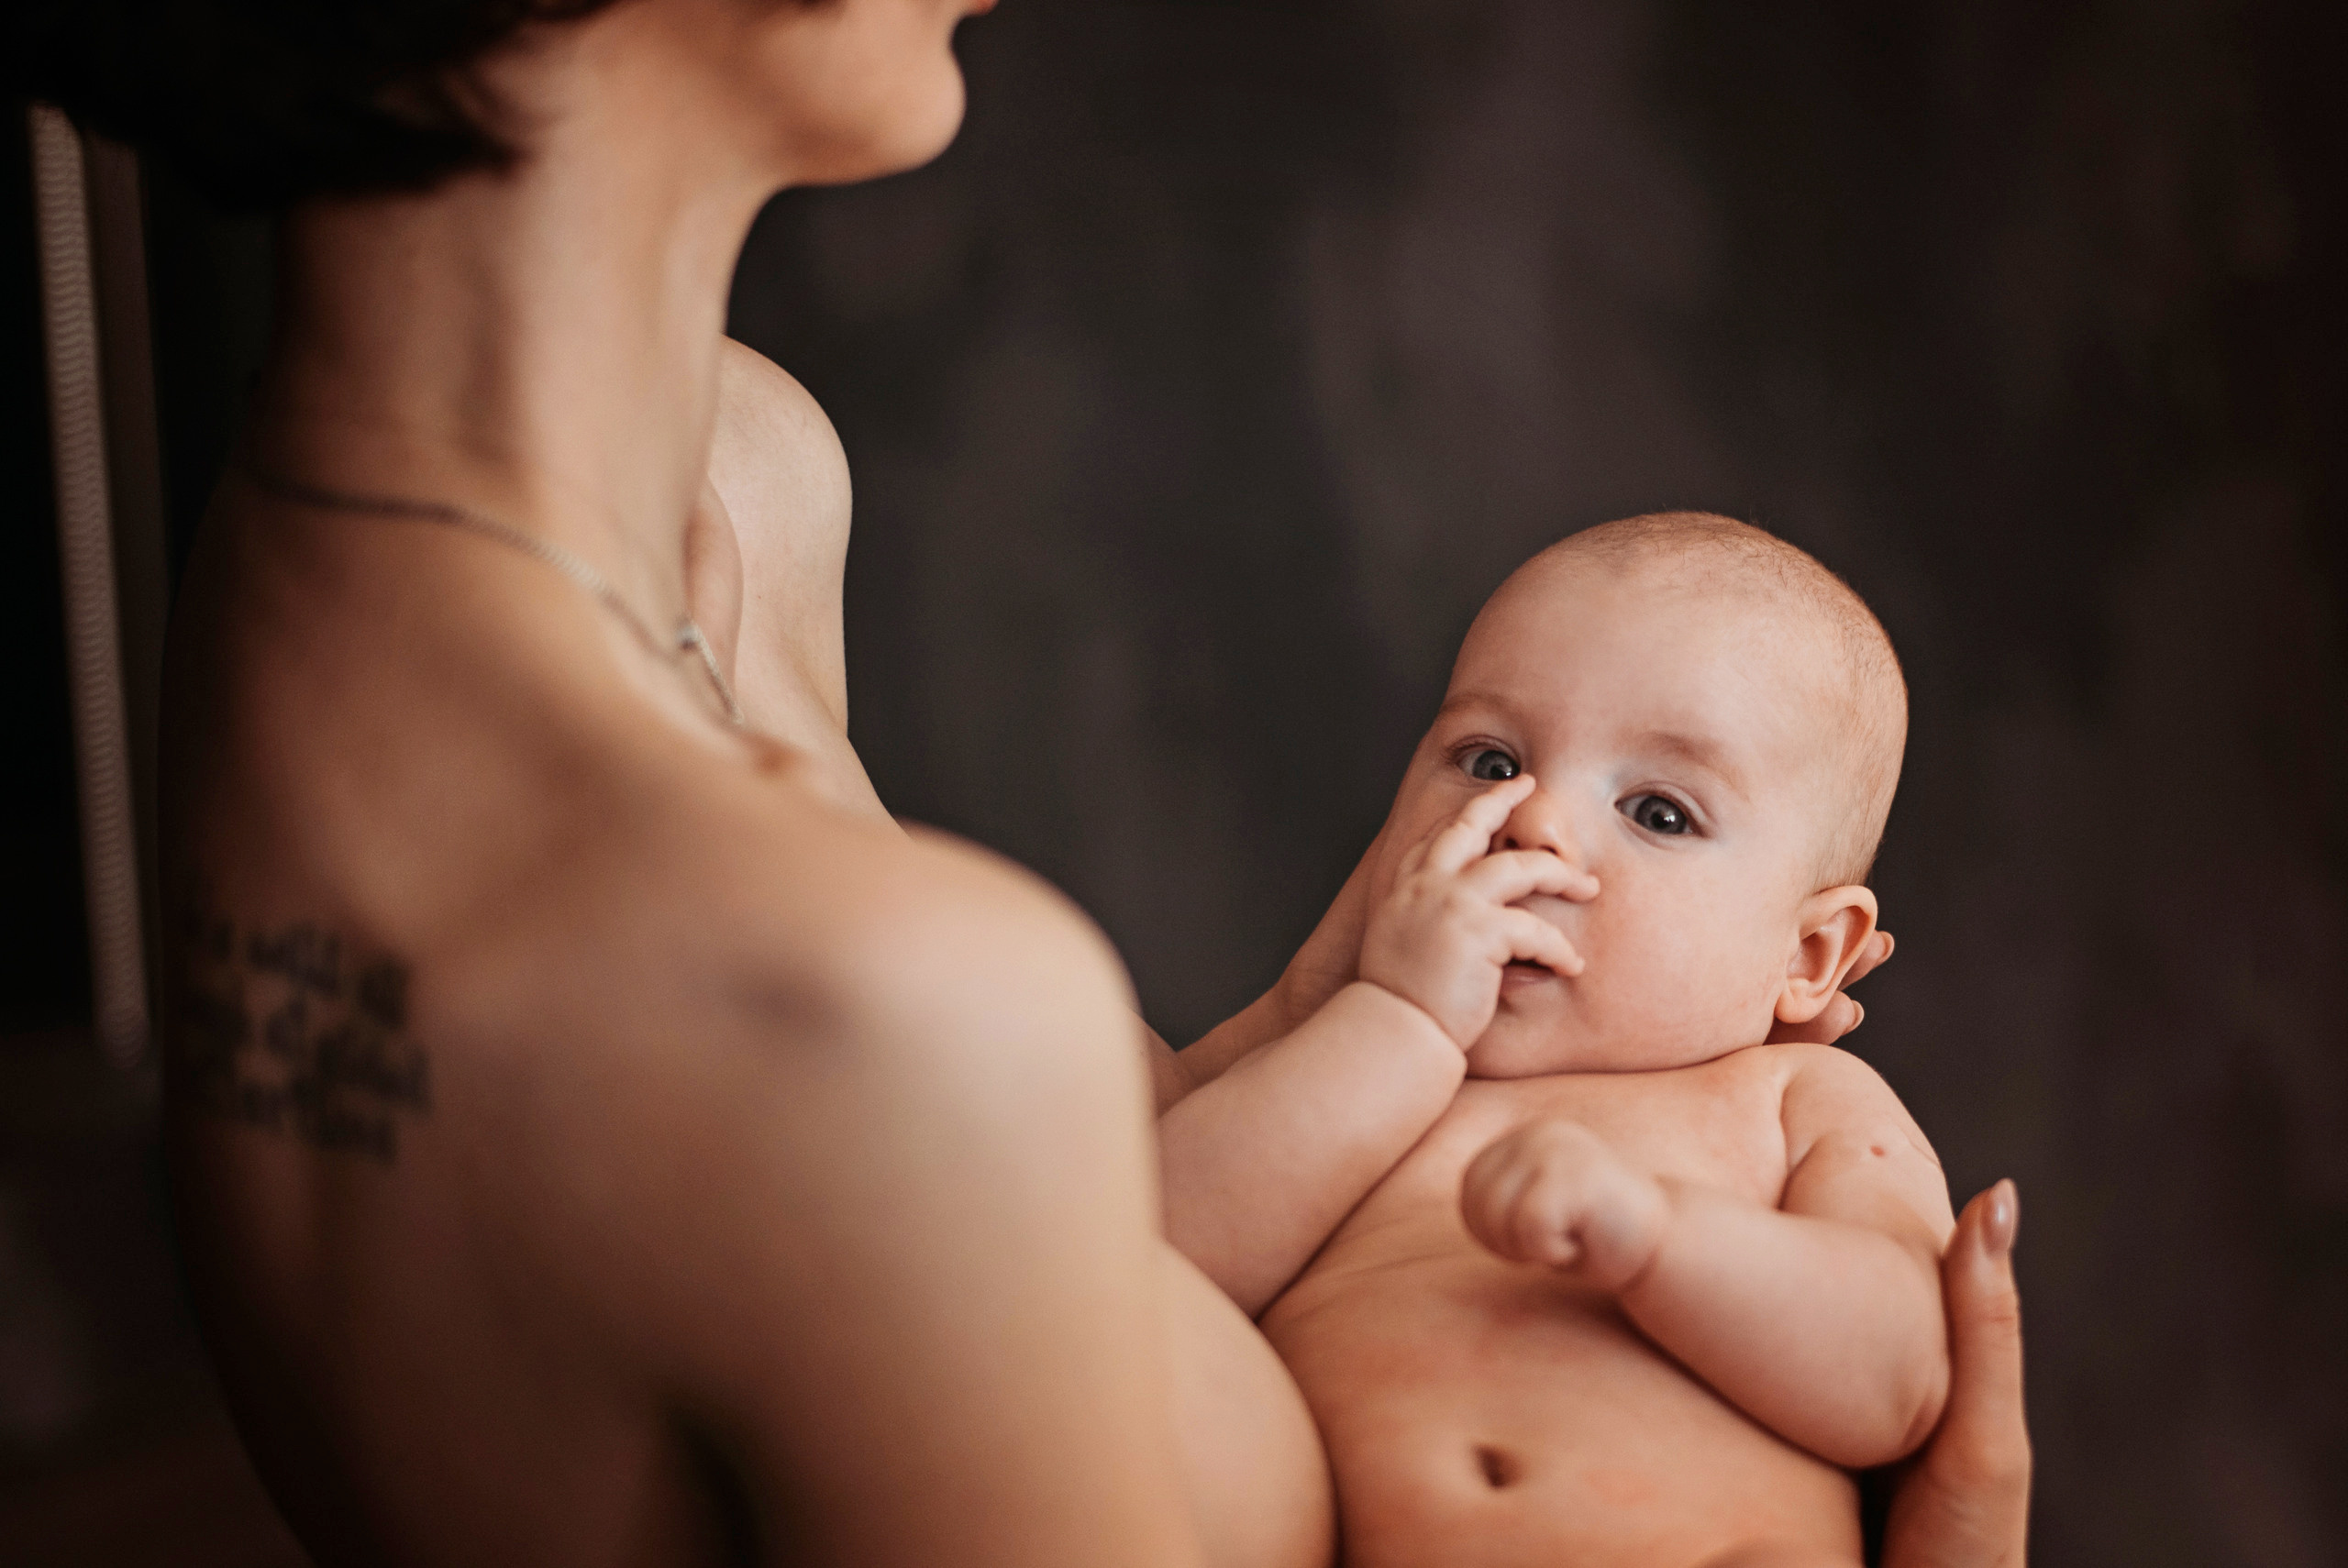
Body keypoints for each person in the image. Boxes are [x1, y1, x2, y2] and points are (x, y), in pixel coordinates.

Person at [6, 3, 2030, 1564]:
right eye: (1495, 752)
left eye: (1658, 806)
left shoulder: (679, 499)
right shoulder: (881, 1012)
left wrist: (1321, 1037)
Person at [1162, 513, 1951, 1565]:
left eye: (1659, 813)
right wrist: (1395, 1024)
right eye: (1489, 761)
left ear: (1807, 954)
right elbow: (1136, 1270)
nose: (1533, 826)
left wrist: (1658, 1239)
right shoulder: (1348, 1067)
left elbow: (1898, 1372)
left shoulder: (1792, 1101)